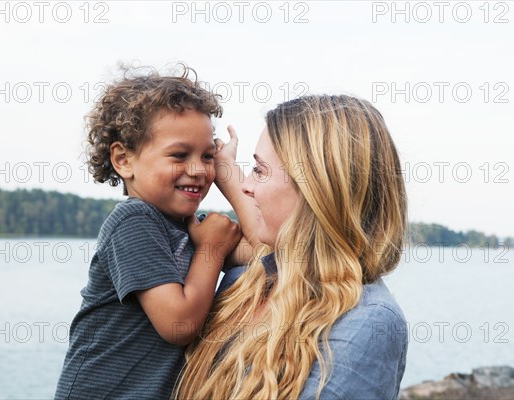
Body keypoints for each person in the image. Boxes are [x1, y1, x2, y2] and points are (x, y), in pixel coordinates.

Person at [175, 95, 409, 399]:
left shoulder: (368, 321)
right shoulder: (247, 280)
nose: (246, 185)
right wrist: (222, 168)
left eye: (259, 170)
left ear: (316, 188)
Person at [54, 65, 242, 400]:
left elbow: (270, 252)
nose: (199, 170)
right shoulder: (133, 221)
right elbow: (178, 325)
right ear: (124, 159)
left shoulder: (192, 227)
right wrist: (211, 250)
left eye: (208, 156)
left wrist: (229, 177)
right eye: (180, 155)